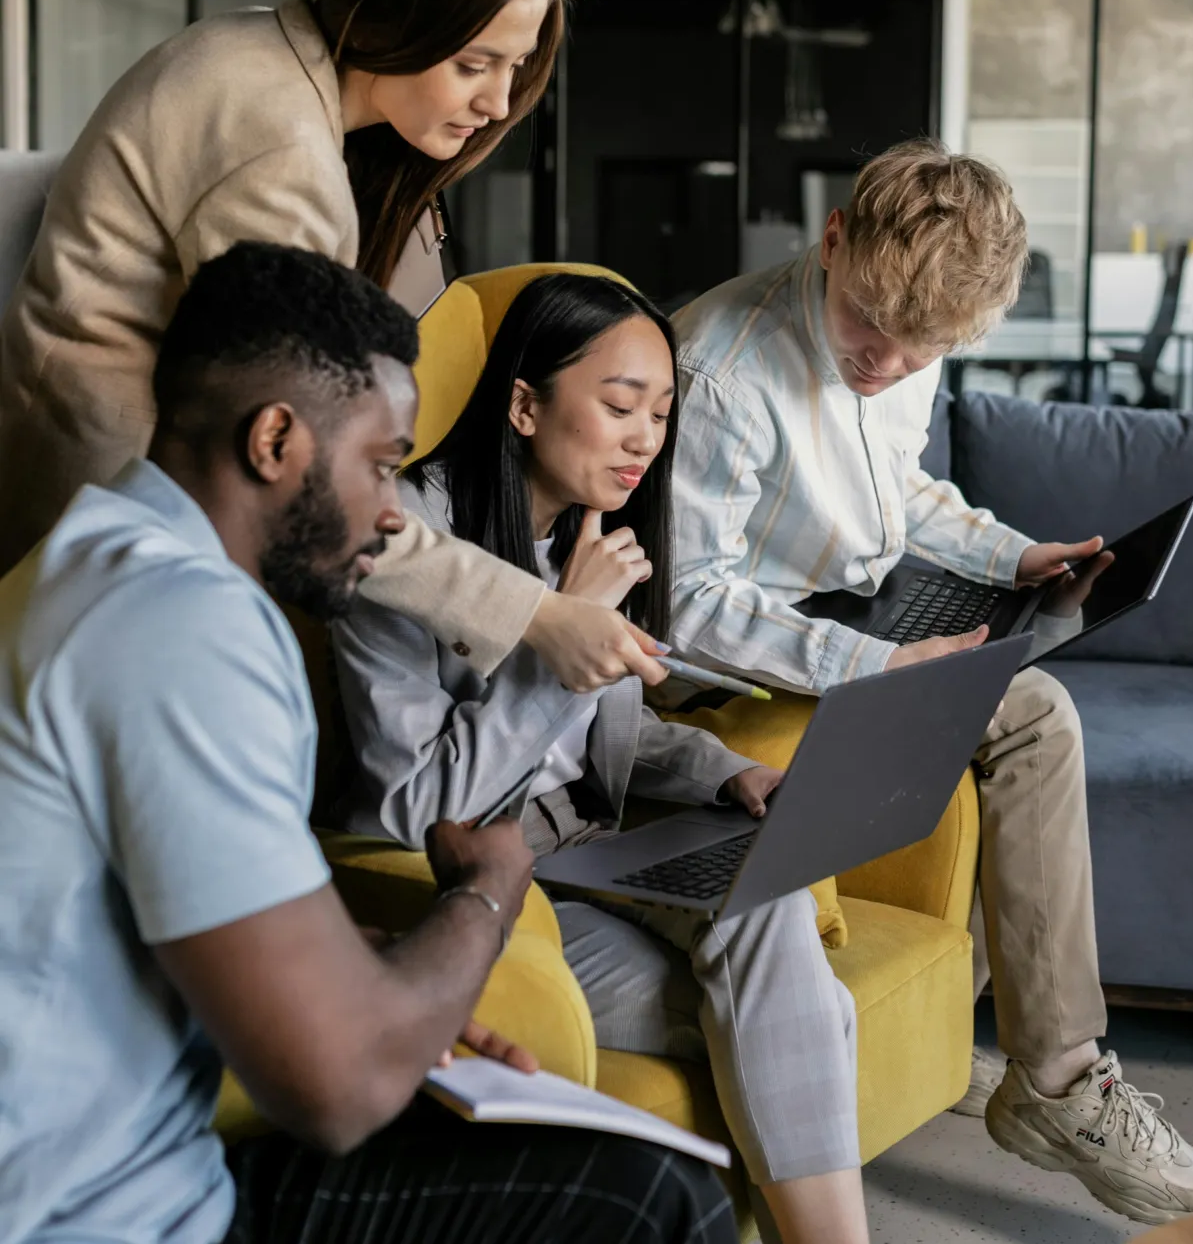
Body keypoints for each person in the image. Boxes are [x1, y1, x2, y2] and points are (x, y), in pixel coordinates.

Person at [0, 241, 737, 1244]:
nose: (394, 515)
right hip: (112, 1211)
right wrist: (485, 895)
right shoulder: (185, 628)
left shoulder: (87, 558)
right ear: (275, 439)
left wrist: (378, 972)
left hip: (137, 1166)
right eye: (380, 465)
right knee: (648, 1200)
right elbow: (338, 1089)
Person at [667, 138, 1193, 1227]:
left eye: (925, 351)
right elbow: (688, 606)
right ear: (832, 242)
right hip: (736, 668)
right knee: (1035, 709)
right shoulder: (718, 369)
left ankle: (1039, 1065)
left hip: (854, 619)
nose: (889, 362)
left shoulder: (912, 342)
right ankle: (1056, 1081)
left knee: (1027, 675)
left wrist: (1012, 556)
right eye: (872, 326)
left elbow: (898, 488)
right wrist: (878, 662)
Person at [0, 0, 663, 699]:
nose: (499, 102)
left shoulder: (257, 50)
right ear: (387, 20)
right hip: (119, 514)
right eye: (472, 64)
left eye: (514, 66)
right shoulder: (281, 153)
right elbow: (312, 465)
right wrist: (539, 611)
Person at [333, 272, 873, 1244]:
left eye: (661, 412)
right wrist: (561, 642)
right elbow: (421, 808)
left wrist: (721, 769)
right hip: (492, 888)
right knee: (807, 1009)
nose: (645, 437)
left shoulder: (586, 533)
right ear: (525, 401)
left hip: (591, 856)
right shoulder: (411, 544)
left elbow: (608, 732)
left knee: (767, 897)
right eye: (621, 404)